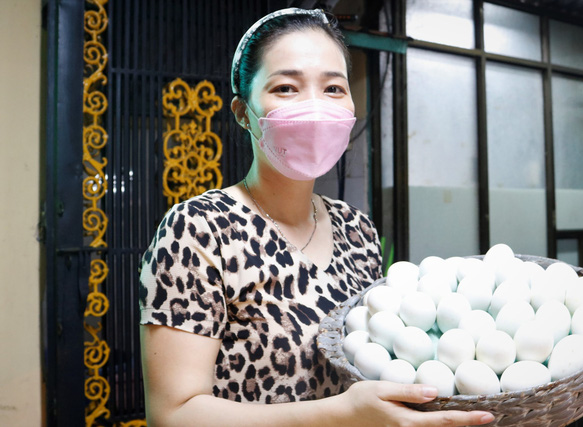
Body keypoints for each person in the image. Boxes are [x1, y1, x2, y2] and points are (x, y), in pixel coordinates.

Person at [139, 7, 495, 426]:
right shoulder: (200, 229)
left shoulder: (357, 230)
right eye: (287, 88)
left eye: (333, 88)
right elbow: (171, 415)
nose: (314, 107)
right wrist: (340, 415)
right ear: (241, 111)